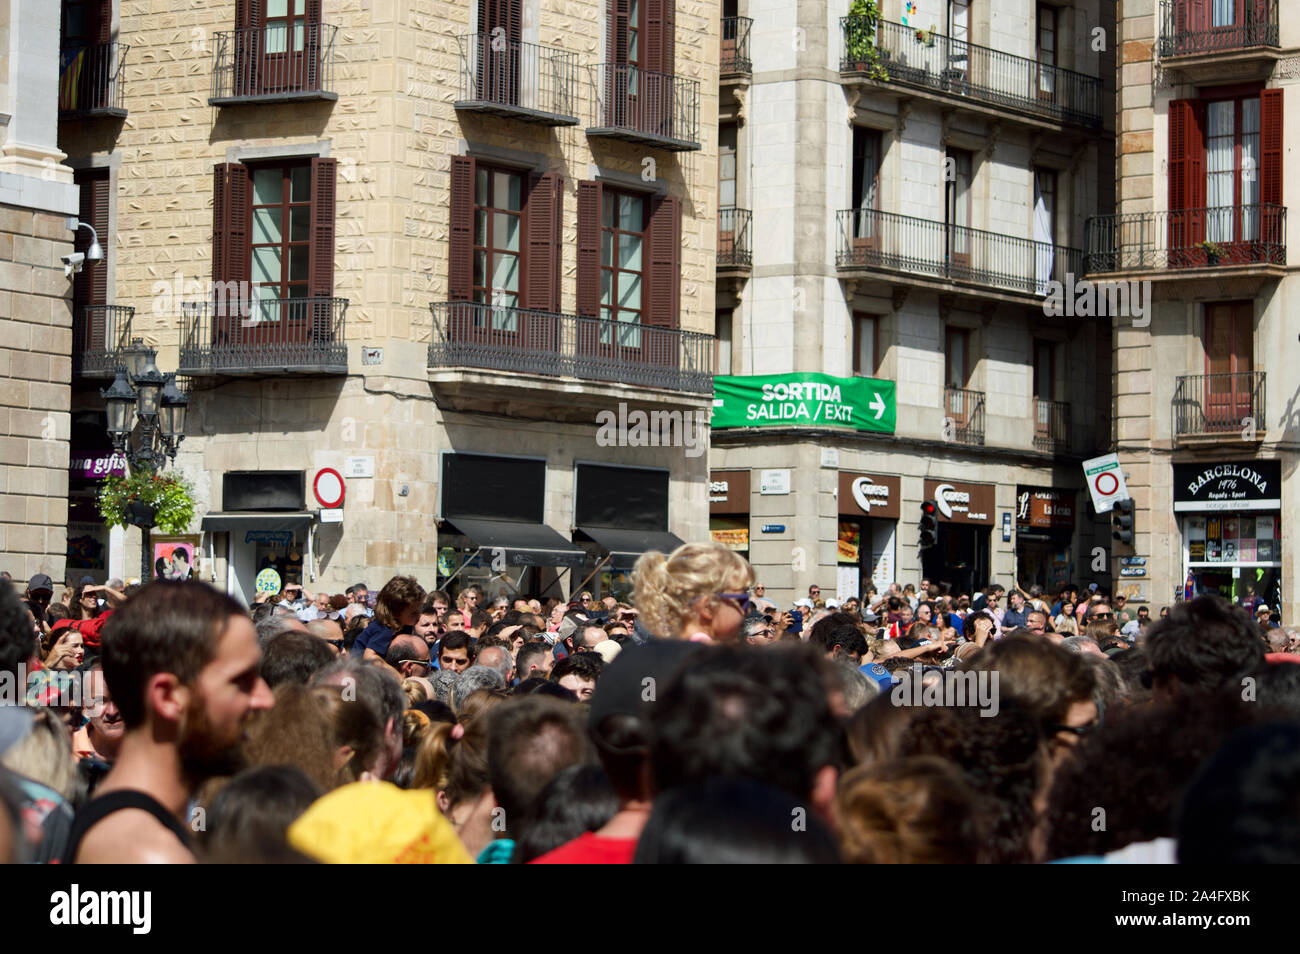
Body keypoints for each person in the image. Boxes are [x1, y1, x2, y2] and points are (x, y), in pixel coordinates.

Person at [64, 581, 275, 863]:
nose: (265, 699)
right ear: (167, 697)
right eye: (241, 681)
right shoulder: (145, 853)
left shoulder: (144, 825)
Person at [631, 542, 755, 643]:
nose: (747, 610)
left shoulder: (645, 655)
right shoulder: (714, 665)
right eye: (742, 600)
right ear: (708, 607)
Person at [349, 576, 425, 661]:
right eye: (413, 613)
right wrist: (396, 674)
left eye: (420, 610)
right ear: (395, 613)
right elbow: (370, 657)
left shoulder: (405, 625)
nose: (419, 615)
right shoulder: (385, 629)